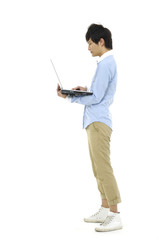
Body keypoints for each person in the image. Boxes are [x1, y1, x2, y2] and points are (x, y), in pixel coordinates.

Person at [56, 23, 122, 232]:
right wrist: (85, 90)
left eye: (91, 43)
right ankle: (104, 209)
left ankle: (115, 214)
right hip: (95, 122)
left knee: (104, 168)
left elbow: (96, 98)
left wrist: (70, 97)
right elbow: (96, 93)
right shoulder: (105, 64)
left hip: (99, 122)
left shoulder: (106, 64)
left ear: (101, 42)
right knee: (97, 169)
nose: (88, 48)